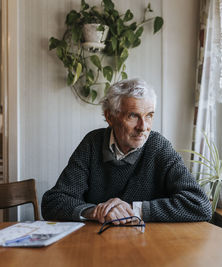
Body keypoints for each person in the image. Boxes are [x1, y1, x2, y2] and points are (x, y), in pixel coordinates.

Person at [41, 78, 212, 224]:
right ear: (110, 117)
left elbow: (200, 205)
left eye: (149, 115)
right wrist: (94, 211)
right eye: (133, 116)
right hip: (95, 245)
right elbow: (53, 202)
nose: (143, 127)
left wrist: (134, 209)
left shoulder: (158, 147)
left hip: (149, 245)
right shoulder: (92, 144)